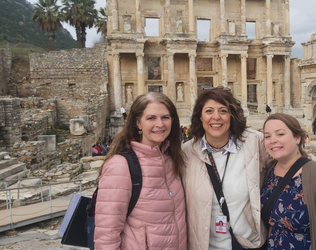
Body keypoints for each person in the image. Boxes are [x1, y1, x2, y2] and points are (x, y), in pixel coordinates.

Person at [94, 92, 187, 249]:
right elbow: (107, 234)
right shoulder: (120, 166)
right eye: (151, 118)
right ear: (138, 123)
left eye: (165, 117)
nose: (160, 124)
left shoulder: (172, 159)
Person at [182, 87, 270, 250]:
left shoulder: (254, 142)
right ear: (200, 117)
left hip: (246, 244)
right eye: (209, 111)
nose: (216, 117)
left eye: (223, 110)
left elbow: (290, 156)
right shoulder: (187, 152)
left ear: (232, 115)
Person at [261, 113, 316, 250]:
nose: (272, 140)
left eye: (280, 134)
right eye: (267, 136)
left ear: (297, 138)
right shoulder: (269, 171)